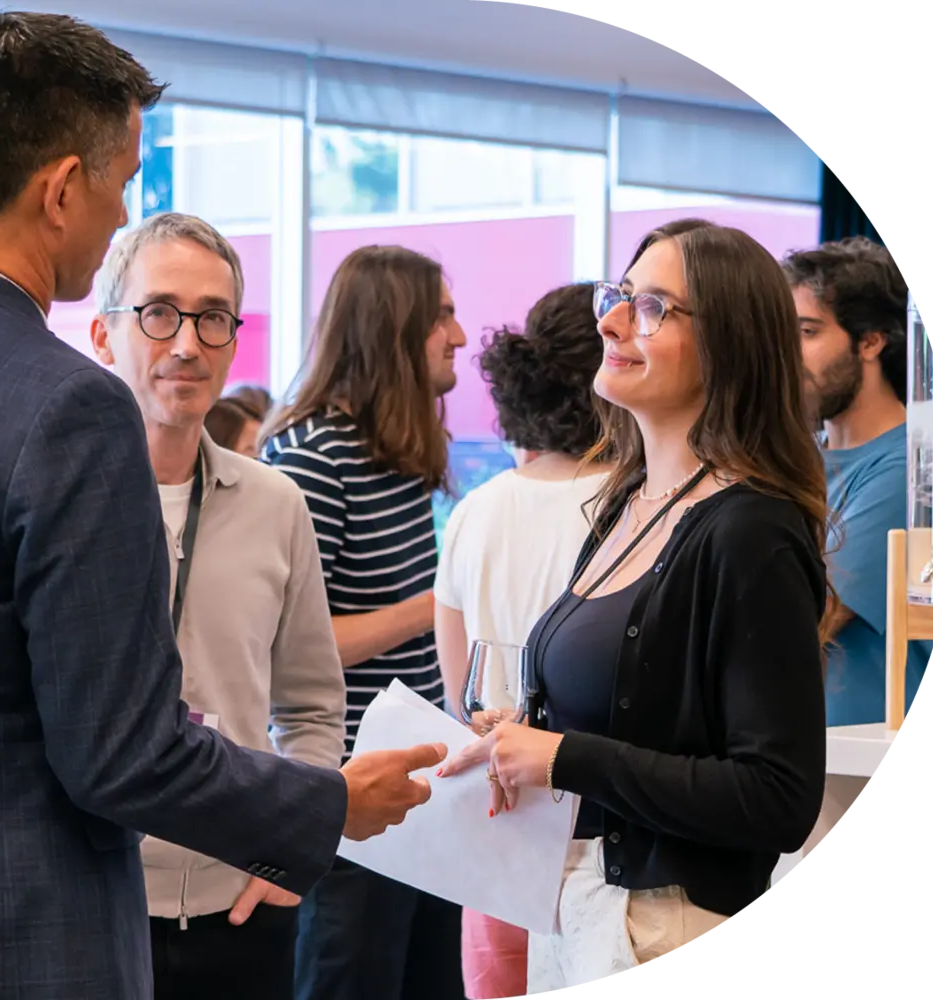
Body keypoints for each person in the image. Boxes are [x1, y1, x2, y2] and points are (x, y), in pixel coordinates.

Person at [0, 15, 444, 999]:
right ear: (62, 189)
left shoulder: (264, 494)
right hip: (27, 937)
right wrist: (331, 803)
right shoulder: (68, 408)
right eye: (123, 184)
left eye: (214, 318)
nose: (121, 210)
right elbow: (118, 754)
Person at [439, 219, 834, 988]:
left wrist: (564, 755)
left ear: (729, 343)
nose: (611, 321)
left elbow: (779, 796)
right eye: (617, 296)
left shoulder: (751, 529)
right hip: (582, 905)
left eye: (652, 306)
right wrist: (529, 736)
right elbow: (638, 721)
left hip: (665, 922)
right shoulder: (631, 502)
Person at [90, 211, 346, 1000]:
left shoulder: (276, 503)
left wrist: (286, 858)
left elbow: (311, 704)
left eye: (212, 319)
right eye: (159, 312)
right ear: (104, 334)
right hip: (92, 904)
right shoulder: (58, 499)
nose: (187, 343)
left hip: (240, 909)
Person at [263, 245, 468, 1000]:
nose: (460, 335)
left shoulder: (400, 451)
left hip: (418, 790)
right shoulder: (312, 458)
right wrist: (436, 603)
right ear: (394, 328)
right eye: (441, 315)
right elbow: (292, 649)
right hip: (347, 798)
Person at [433, 282, 612, 1000]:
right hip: (591, 837)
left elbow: (460, 695)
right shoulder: (630, 510)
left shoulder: (476, 509)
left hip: (496, 828)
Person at [781, 237, 931, 862]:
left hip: (855, 767)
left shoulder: (912, 466)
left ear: (871, 341)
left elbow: (814, 614)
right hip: (794, 761)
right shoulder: (799, 455)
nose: (791, 353)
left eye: (810, 331)